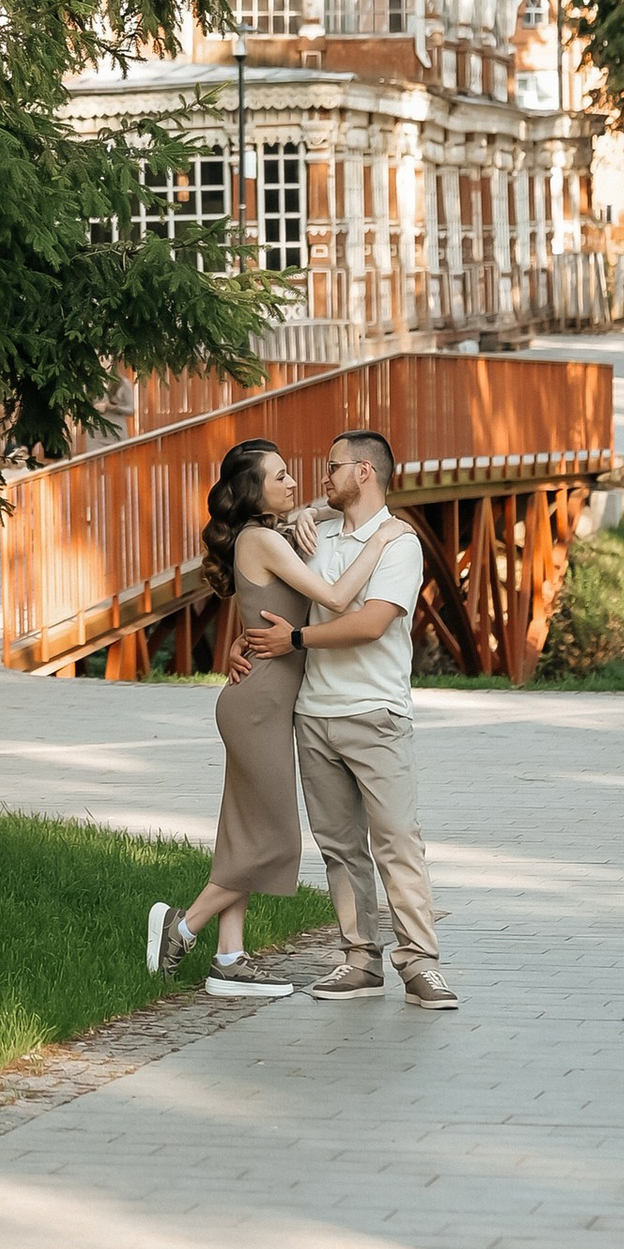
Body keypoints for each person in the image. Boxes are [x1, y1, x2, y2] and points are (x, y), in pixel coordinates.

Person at [145, 438, 401, 1001]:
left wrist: (310, 509)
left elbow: (328, 510)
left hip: (258, 700)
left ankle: (229, 961)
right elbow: (335, 597)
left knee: (244, 833)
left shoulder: (271, 532)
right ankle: (182, 927)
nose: (293, 483)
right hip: (257, 705)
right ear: (253, 491)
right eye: (280, 477)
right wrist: (382, 537)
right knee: (277, 839)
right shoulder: (261, 538)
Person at [231, 425, 457, 1012]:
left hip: (376, 713)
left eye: (332, 467)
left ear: (364, 473)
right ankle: (360, 959)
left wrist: (297, 639)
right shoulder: (316, 530)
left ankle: (421, 963)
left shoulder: (399, 542)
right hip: (314, 716)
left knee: (396, 841)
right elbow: (260, 580)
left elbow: (370, 622)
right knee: (339, 847)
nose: (320, 476)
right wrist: (243, 641)